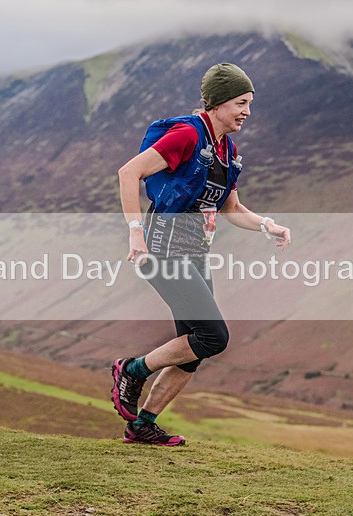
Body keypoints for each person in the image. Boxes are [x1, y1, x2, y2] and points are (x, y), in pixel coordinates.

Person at [112, 63, 291, 446]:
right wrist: (135, 234)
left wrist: (267, 225)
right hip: (162, 249)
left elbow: (231, 209)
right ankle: (132, 369)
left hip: (194, 252)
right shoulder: (187, 135)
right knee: (213, 337)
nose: (247, 111)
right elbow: (129, 173)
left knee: (191, 350)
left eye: (249, 104)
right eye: (241, 102)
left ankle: (142, 425)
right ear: (218, 102)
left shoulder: (227, 149)